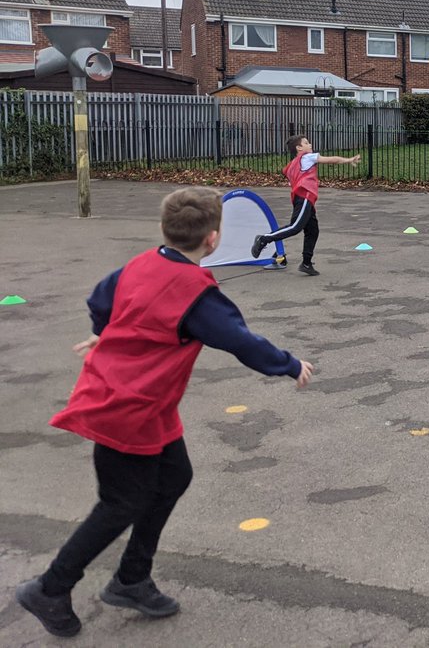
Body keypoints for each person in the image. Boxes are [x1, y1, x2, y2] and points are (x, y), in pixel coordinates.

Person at [16, 187, 314, 639]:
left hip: (144, 404)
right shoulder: (196, 292)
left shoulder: (140, 263)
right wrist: (290, 364)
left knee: (174, 477)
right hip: (124, 407)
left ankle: (132, 579)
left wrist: (106, 331)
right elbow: (239, 340)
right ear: (212, 239)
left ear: (164, 229)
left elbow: (100, 300)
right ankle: (50, 587)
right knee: (121, 502)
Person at [251, 134, 360, 276]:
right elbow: (330, 160)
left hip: (302, 199)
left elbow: (289, 174)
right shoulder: (307, 157)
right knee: (295, 227)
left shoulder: (291, 165)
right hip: (305, 197)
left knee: (313, 231)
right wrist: (348, 160)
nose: (310, 145)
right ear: (299, 148)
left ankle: (306, 263)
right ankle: (263, 239)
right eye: (306, 143)